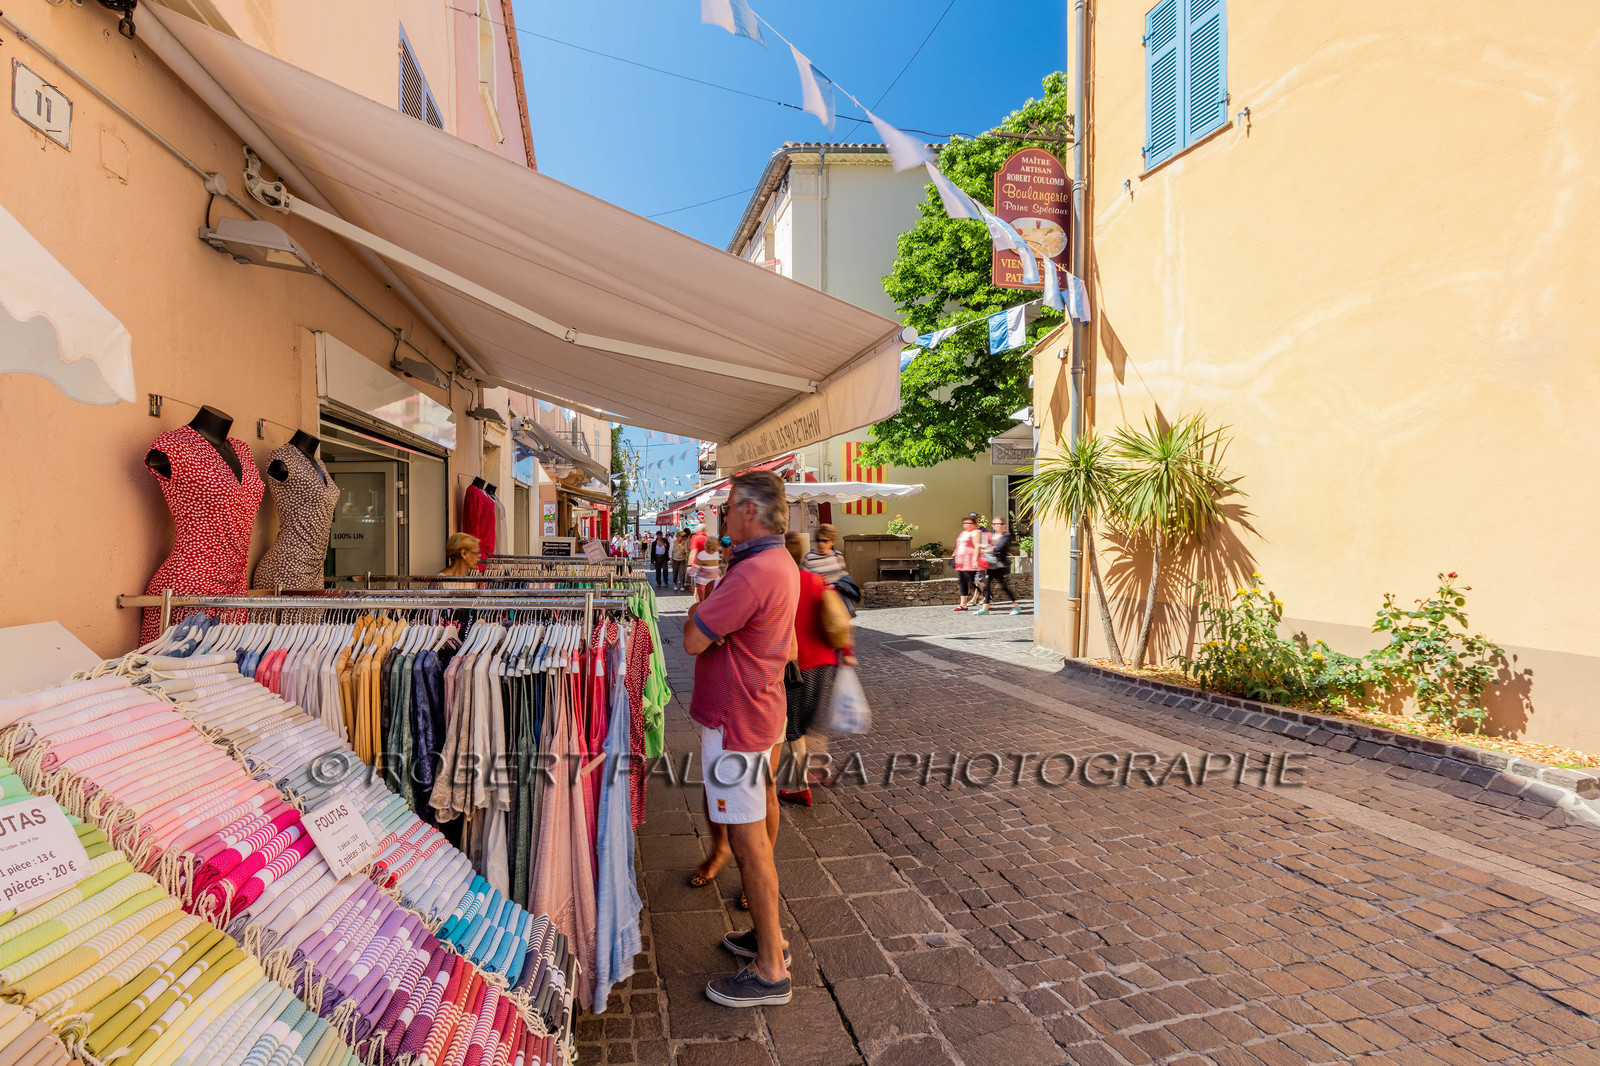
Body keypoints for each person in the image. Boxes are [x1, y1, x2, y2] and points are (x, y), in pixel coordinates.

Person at [681, 469, 797, 1008]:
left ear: (749, 511)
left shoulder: (751, 574)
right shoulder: (781, 564)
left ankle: (771, 970)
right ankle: (768, 939)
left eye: (728, 508)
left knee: (747, 842)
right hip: (761, 711)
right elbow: (789, 647)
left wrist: (700, 613)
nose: (724, 517)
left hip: (737, 722)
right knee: (759, 821)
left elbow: (691, 639)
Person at [778, 532, 853, 807]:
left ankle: (800, 784)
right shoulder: (816, 580)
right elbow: (838, 618)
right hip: (825, 660)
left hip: (797, 664)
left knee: (794, 725)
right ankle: (819, 768)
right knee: (815, 716)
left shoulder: (781, 584)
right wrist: (847, 652)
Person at [980, 517, 1022, 615]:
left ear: (1004, 525)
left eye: (1000, 523)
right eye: (996, 524)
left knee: (1003, 586)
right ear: (992, 525)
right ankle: (985, 608)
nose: (998, 525)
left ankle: (1016, 606)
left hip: (1000, 565)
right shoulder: (992, 536)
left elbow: (999, 548)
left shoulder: (1006, 535)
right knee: (987, 585)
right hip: (991, 564)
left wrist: (986, 549)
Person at [952, 513, 988, 611]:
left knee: (974, 582)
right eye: (965, 523)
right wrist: (954, 556)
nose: (966, 525)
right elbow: (958, 545)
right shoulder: (963, 533)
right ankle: (963, 604)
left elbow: (977, 546)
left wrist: (975, 560)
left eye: (968, 523)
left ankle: (986, 598)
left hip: (970, 562)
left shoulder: (976, 532)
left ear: (974, 523)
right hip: (961, 562)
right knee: (963, 582)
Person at [691, 533, 722, 603]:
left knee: (710, 603)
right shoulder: (702, 554)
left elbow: (714, 565)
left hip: (713, 582)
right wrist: (691, 581)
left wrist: (719, 566)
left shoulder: (716, 554)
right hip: (703, 583)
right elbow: (696, 568)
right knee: (704, 603)